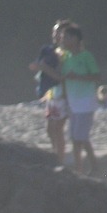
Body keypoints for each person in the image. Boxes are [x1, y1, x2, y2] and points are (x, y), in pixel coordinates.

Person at [57, 24, 101, 174]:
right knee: (79, 137)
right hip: (72, 103)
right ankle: (94, 166)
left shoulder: (86, 56)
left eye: (65, 37)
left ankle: (78, 171)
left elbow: (96, 76)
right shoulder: (66, 57)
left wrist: (79, 77)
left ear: (75, 39)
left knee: (77, 140)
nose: (61, 40)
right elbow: (61, 77)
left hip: (85, 103)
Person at [28, 19, 70, 165]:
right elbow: (40, 64)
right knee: (49, 129)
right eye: (54, 31)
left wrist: (45, 69)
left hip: (62, 91)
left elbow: (62, 76)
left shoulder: (67, 53)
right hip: (50, 92)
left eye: (58, 31)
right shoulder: (48, 49)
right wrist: (38, 67)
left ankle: (60, 160)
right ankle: (56, 156)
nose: (55, 34)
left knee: (57, 128)